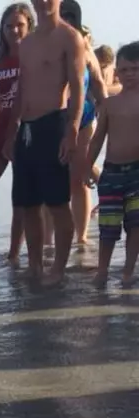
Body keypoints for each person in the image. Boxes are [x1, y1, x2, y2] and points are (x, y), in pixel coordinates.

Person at [3, 0, 87, 285]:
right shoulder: (26, 43)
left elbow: (78, 87)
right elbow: (21, 89)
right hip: (26, 128)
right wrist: (12, 130)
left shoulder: (70, 38)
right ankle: (35, 265)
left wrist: (72, 129)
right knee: (27, 203)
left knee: (57, 202)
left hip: (54, 123)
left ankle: (59, 268)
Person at [0, 3, 35, 266]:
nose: (14, 30)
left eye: (19, 25)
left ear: (29, 25)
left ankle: (15, 253)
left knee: (21, 196)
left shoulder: (36, 54)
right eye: (8, 26)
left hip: (25, 132)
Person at [88, 41, 139, 286]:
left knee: (136, 224)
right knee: (108, 226)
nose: (130, 74)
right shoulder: (110, 103)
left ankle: (128, 270)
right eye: (125, 69)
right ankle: (102, 270)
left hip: (137, 172)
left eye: (136, 69)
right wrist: (87, 165)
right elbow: (98, 139)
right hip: (111, 172)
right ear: (117, 71)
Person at [60, 2, 107, 249]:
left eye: (70, 17)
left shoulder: (84, 49)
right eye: (62, 16)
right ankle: (50, 242)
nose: (66, 20)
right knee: (54, 183)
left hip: (85, 121)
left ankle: (81, 238)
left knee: (79, 179)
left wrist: (108, 114)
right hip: (52, 121)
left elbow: (98, 84)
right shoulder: (44, 46)